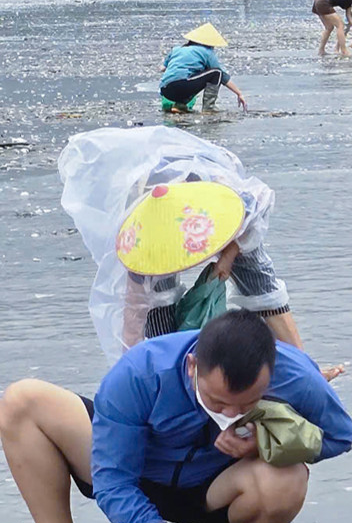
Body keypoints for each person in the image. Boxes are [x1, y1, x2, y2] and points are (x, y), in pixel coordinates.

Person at [0, 309, 352, 523]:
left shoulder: (297, 377)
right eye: (218, 401)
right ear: (192, 366)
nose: (230, 413)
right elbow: (113, 482)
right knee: (21, 401)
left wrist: (264, 444)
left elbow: (340, 436)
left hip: (219, 488)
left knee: (289, 476)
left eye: (245, 404)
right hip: (141, 472)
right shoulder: (142, 372)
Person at [57, 127, 320, 368]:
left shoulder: (226, 195)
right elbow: (134, 313)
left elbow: (256, 214)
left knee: (261, 283)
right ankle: (172, 372)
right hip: (159, 222)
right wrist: (129, 371)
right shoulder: (142, 238)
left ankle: (305, 370)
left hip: (216, 207)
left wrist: (228, 256)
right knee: (155, 306)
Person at [159, 23, 246, 113]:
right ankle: (209, 107)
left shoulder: (177, 49)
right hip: (182, 87)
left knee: (191, 76)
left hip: (166, 90)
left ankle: (179, 105)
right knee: (217, 73)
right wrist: (239, 93)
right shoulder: (206, 52)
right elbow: (223, 76)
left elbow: (163, 68)